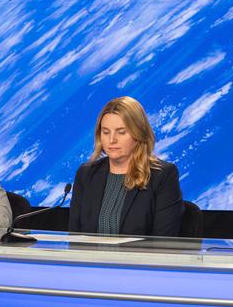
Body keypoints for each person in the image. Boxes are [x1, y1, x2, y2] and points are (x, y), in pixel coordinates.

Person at [68, 96, 182, 236]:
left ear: (138, 133)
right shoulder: (86, 174)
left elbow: (164, 242)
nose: (112, 140)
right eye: (106, 132)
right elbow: (75, 237)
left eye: (121, 132)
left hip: (140, 258)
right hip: (89, 258)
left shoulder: (162, 175)